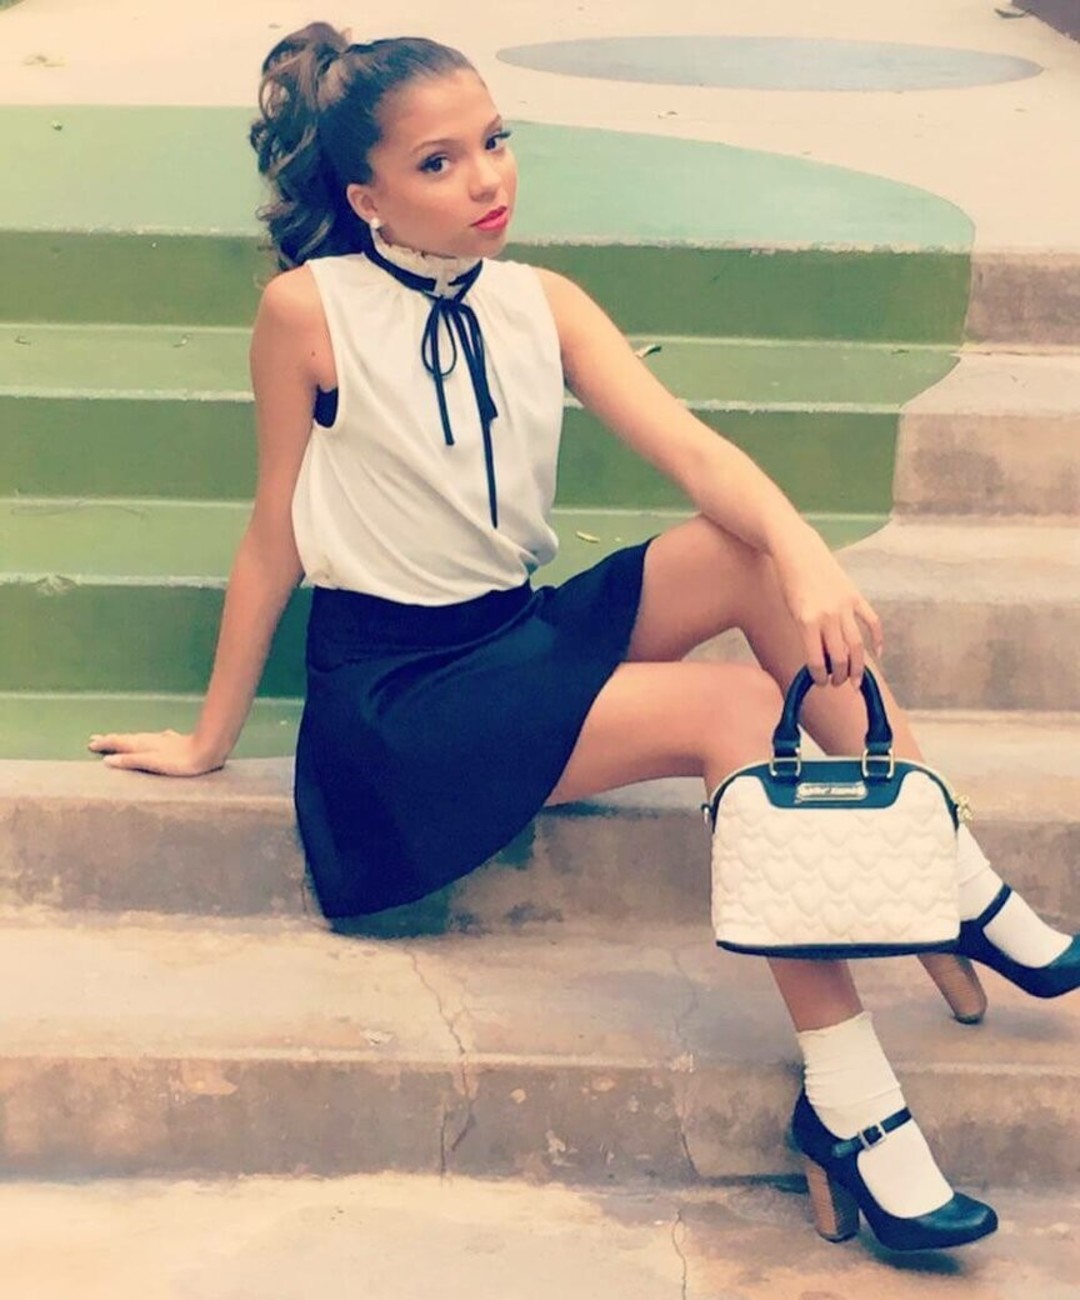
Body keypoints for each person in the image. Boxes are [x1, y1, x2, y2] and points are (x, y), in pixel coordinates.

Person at [87, 22, 1078, 1254]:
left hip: (513, 633)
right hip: (403, 708)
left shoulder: (539, 302)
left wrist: (807, 550)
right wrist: (208, 738)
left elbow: (695, 454)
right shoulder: (307, 311)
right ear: (367, 197)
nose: (487, 179)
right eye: (439, 162)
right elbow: (273, 534)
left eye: (494, 141)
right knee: (731, 707)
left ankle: (943, 862)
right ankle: (853, 1109)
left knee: (744, 549)